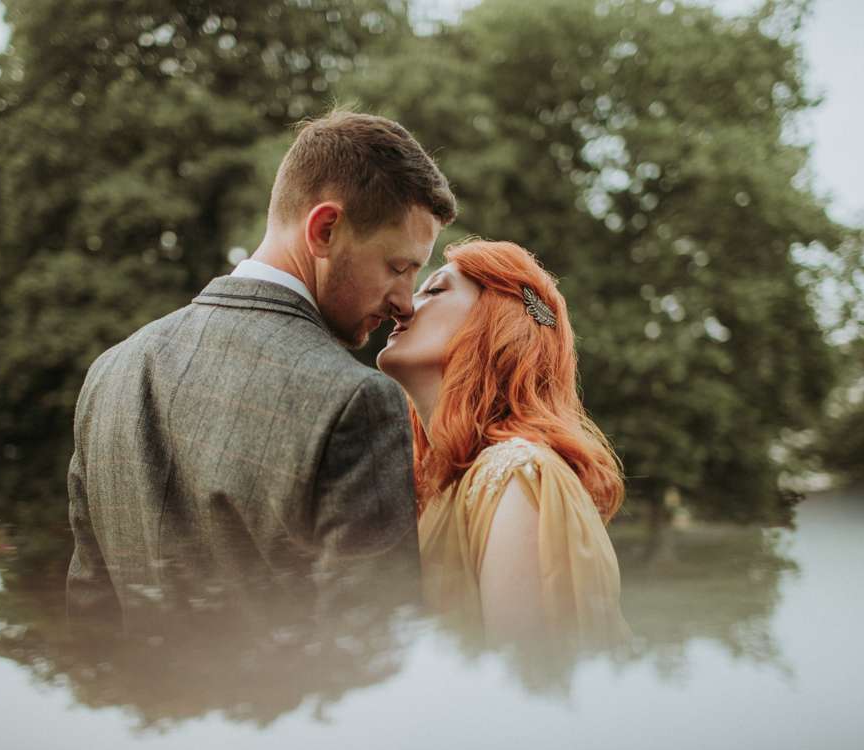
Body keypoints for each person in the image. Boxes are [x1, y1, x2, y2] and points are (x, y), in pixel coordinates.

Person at [66, 110, 456, 629]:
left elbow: (89, 626)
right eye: (399, 267)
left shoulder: (110, 372)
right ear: (325, 229)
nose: (405, 302)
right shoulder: (355, 401)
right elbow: (372, 653)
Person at [377, 239, 630, 647]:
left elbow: (526, 676)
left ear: (495, 323)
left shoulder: (518, 477)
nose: (403, 305)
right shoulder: (438, 487)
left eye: (434, 290)